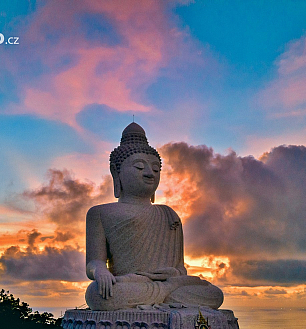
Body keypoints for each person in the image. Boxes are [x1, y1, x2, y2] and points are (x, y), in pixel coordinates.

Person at [84, 122, 223, 311]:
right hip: (129, 285)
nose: (150, 173)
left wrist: (173, 274)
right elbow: (94, 261)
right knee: (98, 294)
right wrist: (100, 271)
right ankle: (166, 297)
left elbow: (180, 268)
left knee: (213, 294)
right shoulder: (100, 213)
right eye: (140, 167)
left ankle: (163, 294)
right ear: (116, 172)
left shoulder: (168, 214)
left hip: (166, 285)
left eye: (156, 169)